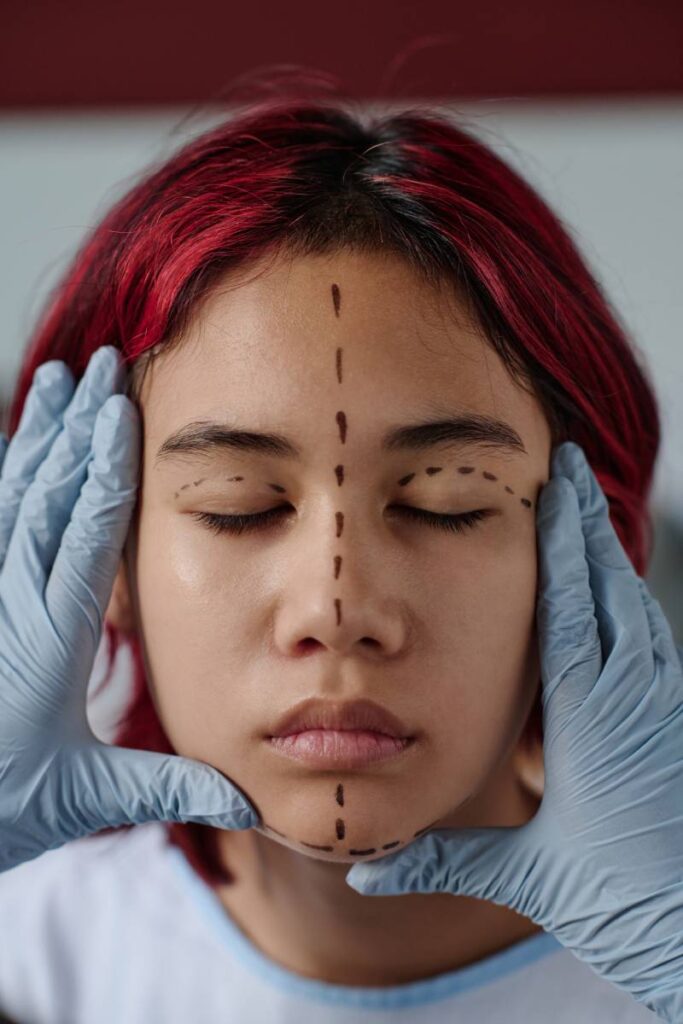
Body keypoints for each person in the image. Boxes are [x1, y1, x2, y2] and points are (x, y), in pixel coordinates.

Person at [0, 81, 676, 1022]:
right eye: (238, 506)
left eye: (446, 503)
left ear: (599, 541)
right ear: (97, 555)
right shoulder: (31, 958)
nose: (336, 608)